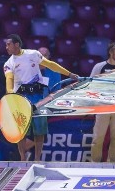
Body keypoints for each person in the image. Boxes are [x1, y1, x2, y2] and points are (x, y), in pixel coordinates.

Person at [4, 34, 78, 162]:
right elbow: (9, 80)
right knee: (21, 130)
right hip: (21, 98)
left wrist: (69, 74)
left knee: (40, 130)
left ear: (17, 44)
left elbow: (50, 64)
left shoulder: (33, 54)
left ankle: (37, 158)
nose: (6, 47)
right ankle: (22, 158)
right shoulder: (8, 63)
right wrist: (10, 95)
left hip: (38, 96)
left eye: (8, 44)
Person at [89, 42, 115, 163]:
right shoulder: (99, 67)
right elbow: (90, 85)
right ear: (111, 52)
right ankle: (95, 162)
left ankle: (112, 162)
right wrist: (92, 105)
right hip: (102, 106)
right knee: (98, 137)